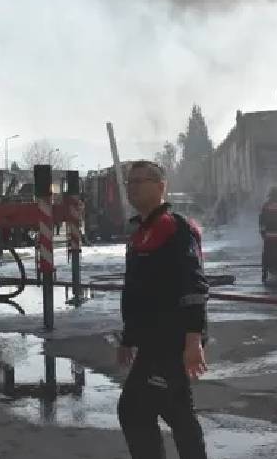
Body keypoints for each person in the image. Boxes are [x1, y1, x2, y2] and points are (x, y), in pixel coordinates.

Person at [116, 160, 210, 459]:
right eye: (129, 182)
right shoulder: (141, 232)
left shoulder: (174, 228)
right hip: (150, 340)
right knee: (175, 411)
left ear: (160, 187)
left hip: (172, 340)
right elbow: (136, 291)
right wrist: (128, 338)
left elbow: (194, 286)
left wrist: (193, 340)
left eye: (139, 181)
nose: (132, 188)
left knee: (135, 408)